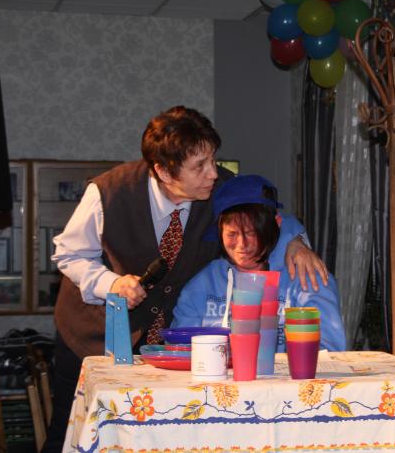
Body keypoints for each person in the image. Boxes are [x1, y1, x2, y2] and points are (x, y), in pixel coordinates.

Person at [44, 106, 327, 452]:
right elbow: (68, 254)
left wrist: (296, 242)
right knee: (71, 433)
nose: (213, 173)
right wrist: (111, 284)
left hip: (166, 342)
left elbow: (267, 213)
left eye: (213, 159)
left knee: (156, 436)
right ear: (163, 170)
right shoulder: (109, 192)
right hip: (93, 334)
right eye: (200, 166)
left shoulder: (220, 187)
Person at [172, 174, 347, 352]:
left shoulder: (305, 277)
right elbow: (180, 350)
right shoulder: (203, 285)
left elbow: (328, 352)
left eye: (251, 233)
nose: (242, 245)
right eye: (232, 234)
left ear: (277, 224)